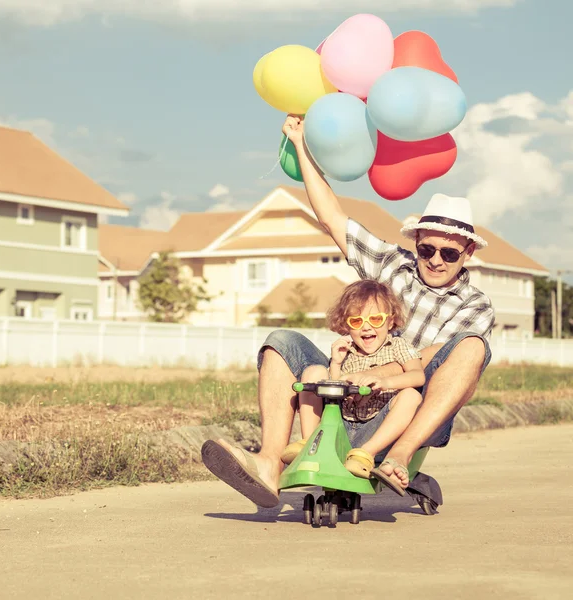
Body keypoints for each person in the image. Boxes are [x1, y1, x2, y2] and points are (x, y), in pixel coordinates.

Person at [201, 115, 495, 508]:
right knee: (281, 341)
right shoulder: (394, 265)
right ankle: (270, 463)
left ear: (468, 253)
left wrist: (379, 375)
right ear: (417, 242)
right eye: (427, 249)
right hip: (345, 387)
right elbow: (331, 218)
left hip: (405, 402)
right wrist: (301, 144)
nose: (435, 260)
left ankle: (398, 458)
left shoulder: (474, 305)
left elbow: (427, 360)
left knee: (473, 346)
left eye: (449, 253)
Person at [280, 279, 425, 494]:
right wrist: (336, 363)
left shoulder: (398, 346)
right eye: (357, 322)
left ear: (390, 321)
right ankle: (311, 444)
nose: (366, 327)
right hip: (342, 427)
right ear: (347, 325)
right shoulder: (346, 351)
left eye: (376, 319)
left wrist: (385, 382)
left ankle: (365, 454)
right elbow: (333, 393)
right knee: (315, 374)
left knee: (411, 396)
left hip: (376, 428)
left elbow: (418, 375)